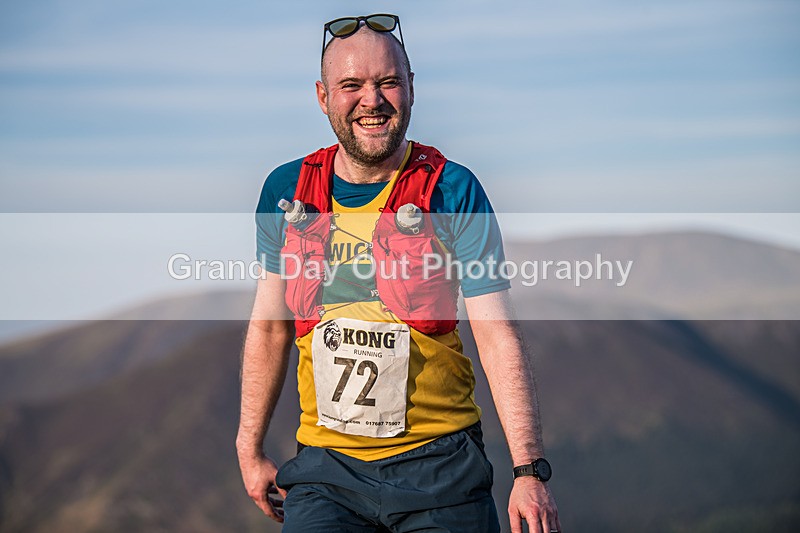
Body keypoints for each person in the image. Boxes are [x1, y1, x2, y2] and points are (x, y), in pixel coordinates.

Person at [236, 13, 561, 533]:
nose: (372, 100)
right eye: (352, 85)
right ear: (323, 97)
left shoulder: (453, 191)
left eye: (388, 82)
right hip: (325, 474)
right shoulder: (286, 191)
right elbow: (271, 325)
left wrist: (528, 470)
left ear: (411, 89)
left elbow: (495, 331)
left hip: (442, 470)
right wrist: (249, 448)